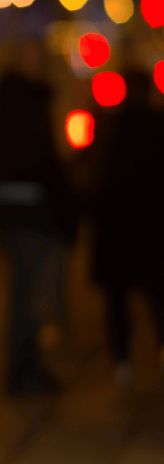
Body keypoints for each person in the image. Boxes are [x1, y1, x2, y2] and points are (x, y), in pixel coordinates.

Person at [0, 68, 78, 396]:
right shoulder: (31, 124)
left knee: (23, 297)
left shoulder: (2, 123)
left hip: (12, 222)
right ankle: (25, 370)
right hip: (37, 222)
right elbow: (48, 168)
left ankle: (22, 367)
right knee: (31, 300)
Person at [89, 68, 164, 382]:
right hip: (152, 230)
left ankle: (122, 361)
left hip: (118, 230)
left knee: (117, 300)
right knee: (158, 297)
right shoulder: (158, 125)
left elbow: (99, 178)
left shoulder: (112, 126)